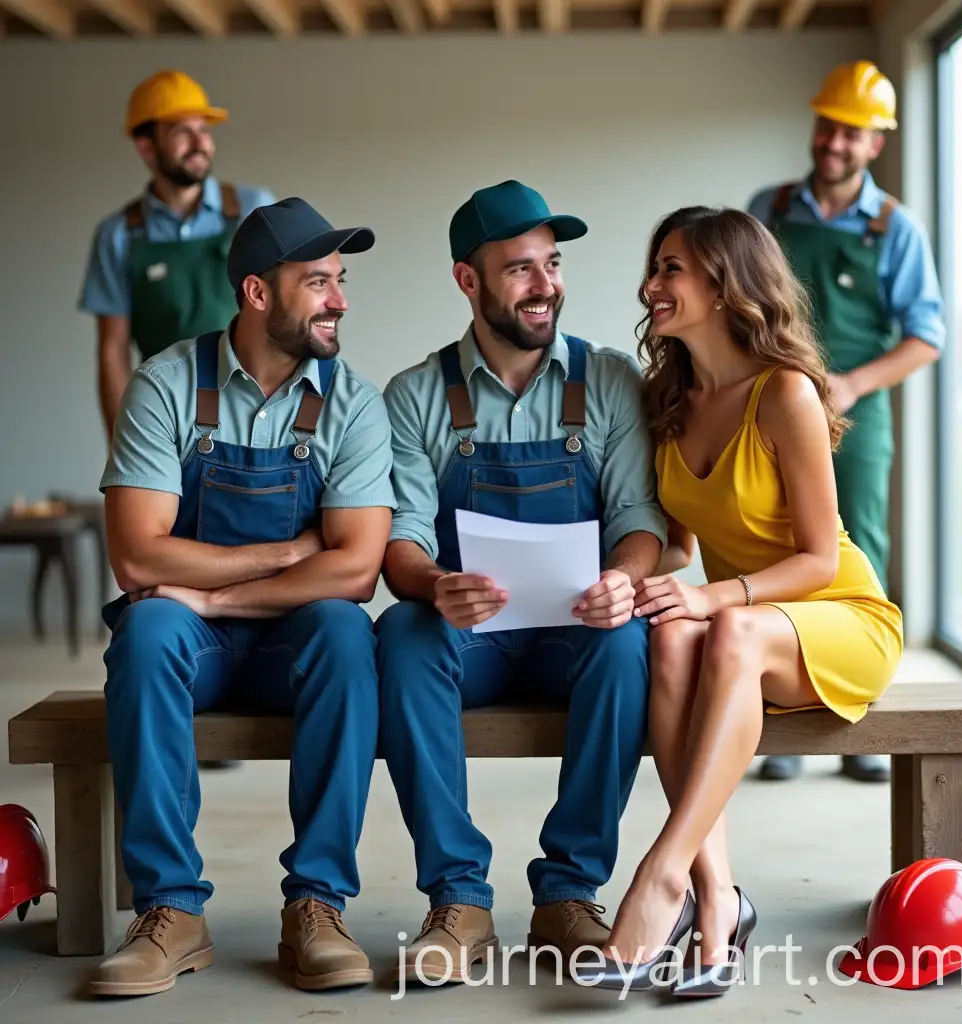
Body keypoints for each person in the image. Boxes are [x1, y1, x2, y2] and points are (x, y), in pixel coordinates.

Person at [572, 206, 903, 996]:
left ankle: (661, 876)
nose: (651, 285)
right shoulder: (671, 400)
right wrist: (634, 576)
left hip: (839, 615)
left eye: (671, 269)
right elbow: (683, 541)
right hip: (744, 619)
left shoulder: (785, 392)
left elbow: (821, 559)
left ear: (725, 286)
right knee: (673, 634)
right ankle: (719, 900)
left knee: (724, 634)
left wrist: (717, 596)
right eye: (652, 269)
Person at [88, 197, 396, 998]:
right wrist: (287, 551)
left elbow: (356, 569)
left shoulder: (353, 402)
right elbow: (137, 554)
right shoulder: (164, 386)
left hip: (286, 637)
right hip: (193, 646)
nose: (340, 300)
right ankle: (170, 912)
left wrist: (214, 594)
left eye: (341, 280)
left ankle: (319, 905)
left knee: (343, 629)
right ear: (259, 294)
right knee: (149, 630)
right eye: (319, 281)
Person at [374, 179, 667, 984]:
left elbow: (641, 518)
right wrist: (434, 585)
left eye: (553, 264)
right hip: (470, 640)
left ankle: (568, 893)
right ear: (468, 281)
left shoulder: (608, 380)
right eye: (520, 270)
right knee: (400, 634)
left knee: (627, 640)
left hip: (574, 632)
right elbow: (397, 541)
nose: (545, 287)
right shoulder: (416, 395)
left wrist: (622, 577)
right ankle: (458, 900)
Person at [747, 60, 944, 783]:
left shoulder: (895, 229)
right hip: (768, 411)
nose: (833, 142)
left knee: (856, 557)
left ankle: (861, 716)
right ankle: (786, 723)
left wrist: (851, 384)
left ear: (874, 144)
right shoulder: (767, 210)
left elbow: (928, 334)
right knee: (779, 545)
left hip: (854, 417)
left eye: (850, 133)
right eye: (827, 125)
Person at [79, 69, 277, 442]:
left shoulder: (254, 209)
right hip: (163, 417)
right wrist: (122, 445)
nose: (200, 143)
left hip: (254, 414)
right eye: (181, 132)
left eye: (204, 130)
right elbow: (112, 351)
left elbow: (288, 310)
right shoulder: (118, 235)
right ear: (146, 147)